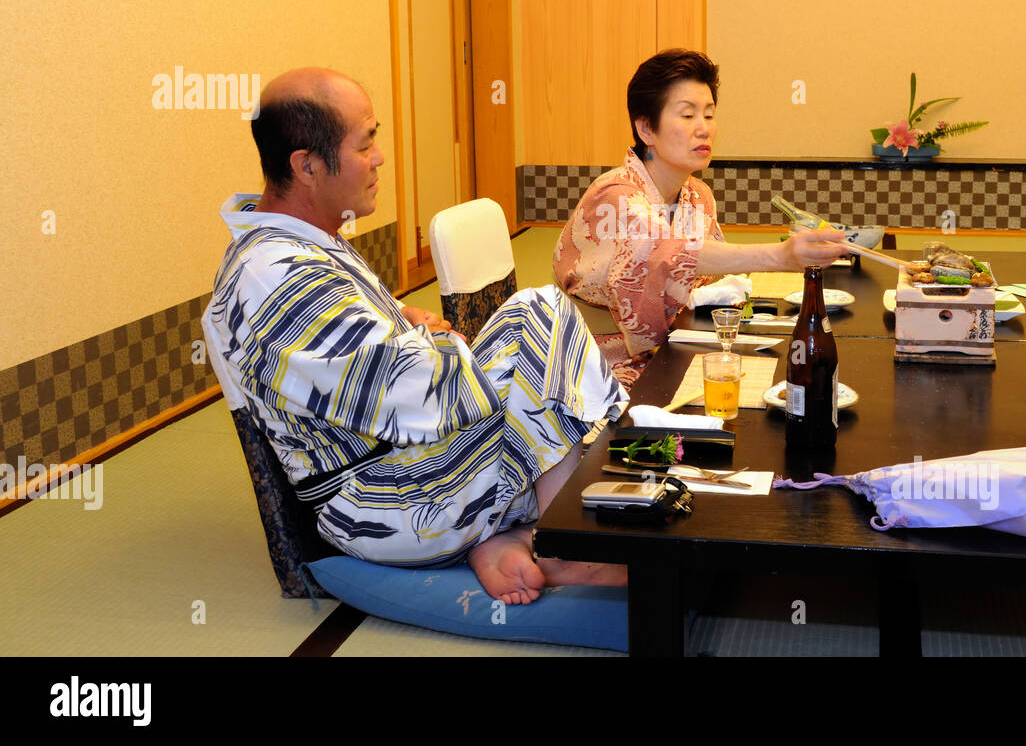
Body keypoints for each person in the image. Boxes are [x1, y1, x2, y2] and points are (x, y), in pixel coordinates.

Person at [202, 68, 628, 605]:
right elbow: (425, 396)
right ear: (307, 165)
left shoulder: (297, 243)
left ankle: (511, 535)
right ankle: (567, 549)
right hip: (386, 502)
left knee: (539, 337)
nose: (379, 157)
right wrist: (436, 339)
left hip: (413, 462)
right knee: (541, 329)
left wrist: (409, 326)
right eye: (366, 142)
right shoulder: (276, 276)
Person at [554, 49, 851, 385]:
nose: (704, 129)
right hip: (599, 365)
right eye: (687, 115)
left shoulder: (698, 196)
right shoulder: (613, 196)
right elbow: (660, 251)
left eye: (709, 115)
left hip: (674, 349)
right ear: (646, 129)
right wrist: (780, 255)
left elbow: (713, 280)